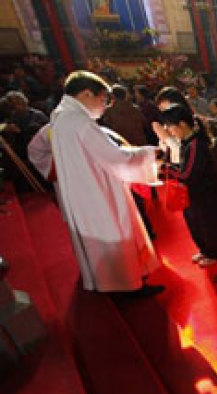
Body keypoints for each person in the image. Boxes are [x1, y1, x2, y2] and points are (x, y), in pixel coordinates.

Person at [49, 70, 162, 295]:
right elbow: (116, 158)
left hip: (81, 191)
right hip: (98, 192)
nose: (105, 106)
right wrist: (150, 154)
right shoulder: (81, 122)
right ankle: (127, 285)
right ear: (86, 94)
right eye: (102, 99)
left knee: (99, 242)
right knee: (116, 235)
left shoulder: (59, 117)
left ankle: (109, 282)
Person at [156, 105, 217, 287]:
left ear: (182, 124)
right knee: (213, 238)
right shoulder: (188, 143)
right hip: (202, 200)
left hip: (209, 201)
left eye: (171, 127)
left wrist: (167, 169)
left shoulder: (195, 145)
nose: (169, 131)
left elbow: (188, 174)